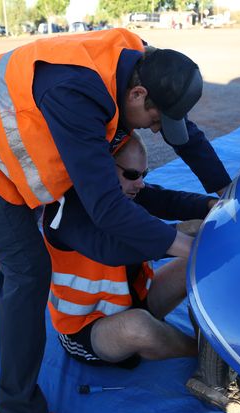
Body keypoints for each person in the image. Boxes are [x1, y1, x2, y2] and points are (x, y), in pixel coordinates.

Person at [0, 28, 231, 413]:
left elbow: (168, 162)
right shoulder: (77, 95)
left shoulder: (139, 59)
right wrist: (184, 244)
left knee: (52, 228)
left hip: (31, 123)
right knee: (28, 270)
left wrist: (227, 196)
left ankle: (11, 248)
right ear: (139, 95)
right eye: (156, 121)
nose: (158, 132)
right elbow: (107, 212)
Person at [43, 132, 215, 368]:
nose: (140, 183)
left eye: (143, 174)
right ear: (103, 168)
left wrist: (212, 207)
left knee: (196, 260)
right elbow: (113, 248)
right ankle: (204, 352)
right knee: (139, 326)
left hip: (133, 301)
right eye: (132, 174)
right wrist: (182, 232)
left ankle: (217, 335)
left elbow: (165, 200)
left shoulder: (120, 192)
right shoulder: (65, 214)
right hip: (87, 328)